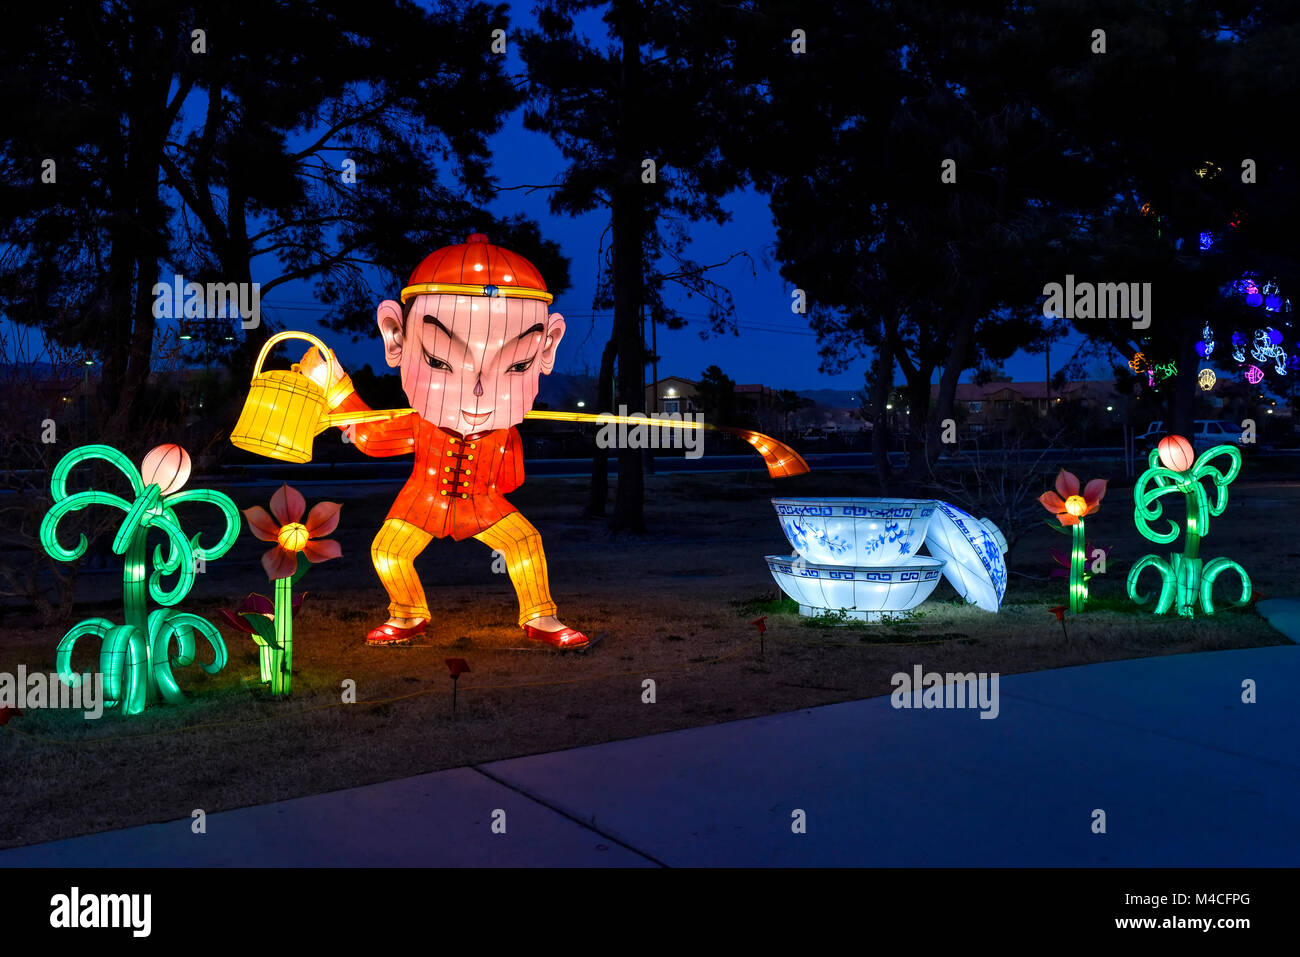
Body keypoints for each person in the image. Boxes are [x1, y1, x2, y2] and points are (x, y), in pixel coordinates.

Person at [300, 233, 589, 649]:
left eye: (516, 362)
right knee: (388, 551)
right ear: (395, 335)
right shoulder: (421, 423)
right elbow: (370, 435)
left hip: (483, 502)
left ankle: (541, 615)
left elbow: (511, 472)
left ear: (548, 347)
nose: (477, 390)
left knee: (524, 542)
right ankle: (408, 612)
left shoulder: (502, 429)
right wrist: (337, 390)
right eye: (438, 359)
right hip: (422, 499)